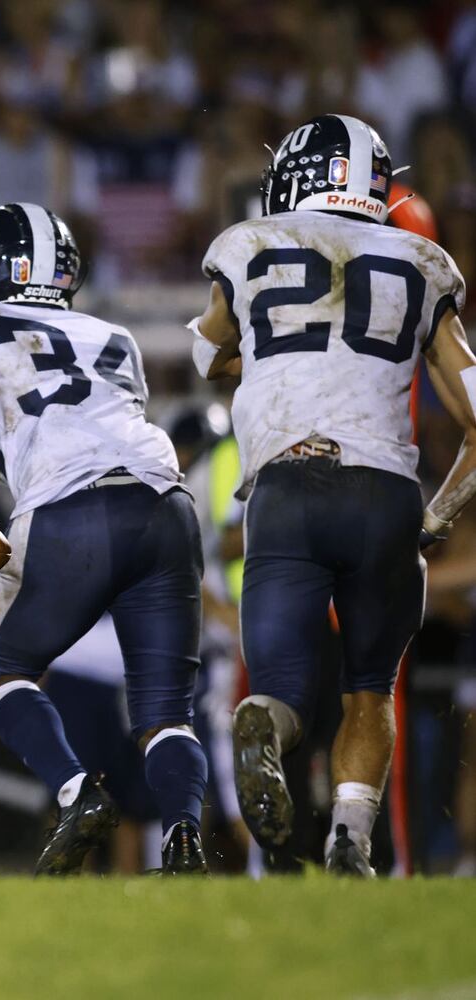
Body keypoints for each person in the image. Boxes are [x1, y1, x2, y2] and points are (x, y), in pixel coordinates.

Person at [191, 113, 472, 875]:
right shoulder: (422, 258)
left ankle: (262, 724)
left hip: (288, 483)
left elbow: (208, 352)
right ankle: (350, 834)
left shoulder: (248, 245)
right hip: (384, 493)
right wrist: (437, 513)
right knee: (369, 686)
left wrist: (275, 367)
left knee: (279, 687)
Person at [0, 202, 207, 875]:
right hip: (165, 504)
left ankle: (77, 794)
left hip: (71, 507)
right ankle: (185, 834)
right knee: (166, 712)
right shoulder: (113, 335)